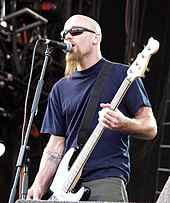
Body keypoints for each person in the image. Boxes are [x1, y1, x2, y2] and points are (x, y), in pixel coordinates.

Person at [27, 14, 157, 202]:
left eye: (76, 31)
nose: (68, 37)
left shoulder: (122, 74)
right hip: (64, 186)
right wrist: (39, 184)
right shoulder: (60, 88)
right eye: (65, 34)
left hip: (105, 179)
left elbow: (150, 127)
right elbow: (56, 145)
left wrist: (123, 123)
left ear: (96, 37)